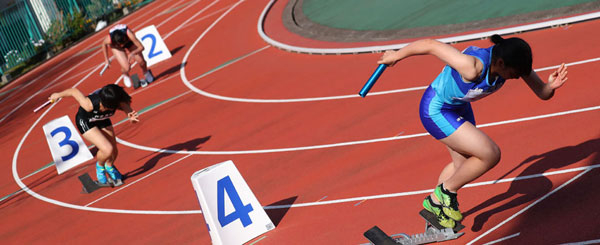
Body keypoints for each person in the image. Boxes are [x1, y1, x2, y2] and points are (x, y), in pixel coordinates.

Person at [377, 34, 568, 228]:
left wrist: (550, 86)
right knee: (490, 153)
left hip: (458, 107)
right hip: (436, 109)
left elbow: (542, 92)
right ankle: (442, 195)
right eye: (515, 74)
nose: (517, 77)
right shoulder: (472, 66)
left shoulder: (512, 61)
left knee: (464, 166)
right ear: (501, 63)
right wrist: (396, 55)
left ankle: (436, 209)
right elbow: (431, 45)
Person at [49, 84, 140, 186]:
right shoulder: (89, 104)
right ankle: (100, 167)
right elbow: (74, 91)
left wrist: (130, 115)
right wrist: (57, 95)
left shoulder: (117, 101)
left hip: (102, 120)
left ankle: (109, 166)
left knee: (114, 150)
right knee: (107, 149)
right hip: (86, 122)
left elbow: (127, 108)